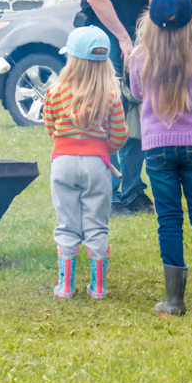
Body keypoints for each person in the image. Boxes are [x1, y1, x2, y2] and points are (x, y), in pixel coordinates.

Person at [129, 0, 192, 316]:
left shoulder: (139, 57)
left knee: (169, 219)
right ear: (191, 21)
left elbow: (137, 93)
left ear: (150, 21)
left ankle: (173, 300)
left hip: (157, 147)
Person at [79, 0, 161, 216]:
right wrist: (124, 41)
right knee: (109, 115)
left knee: (137, 113)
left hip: (140, 40)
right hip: (107, 41)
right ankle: (110, 194)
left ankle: (133, 190)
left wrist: (153, 33)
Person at [43, 26, 128, 300]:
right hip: (96, 165)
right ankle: (98, 288)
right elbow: (119, 136)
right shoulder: (110, 94)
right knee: (96, 224)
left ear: (71, 59)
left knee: (67, 223)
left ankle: (65, 287)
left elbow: (51, 128)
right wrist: (103, 148)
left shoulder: (54, 91)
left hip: (63, 163)